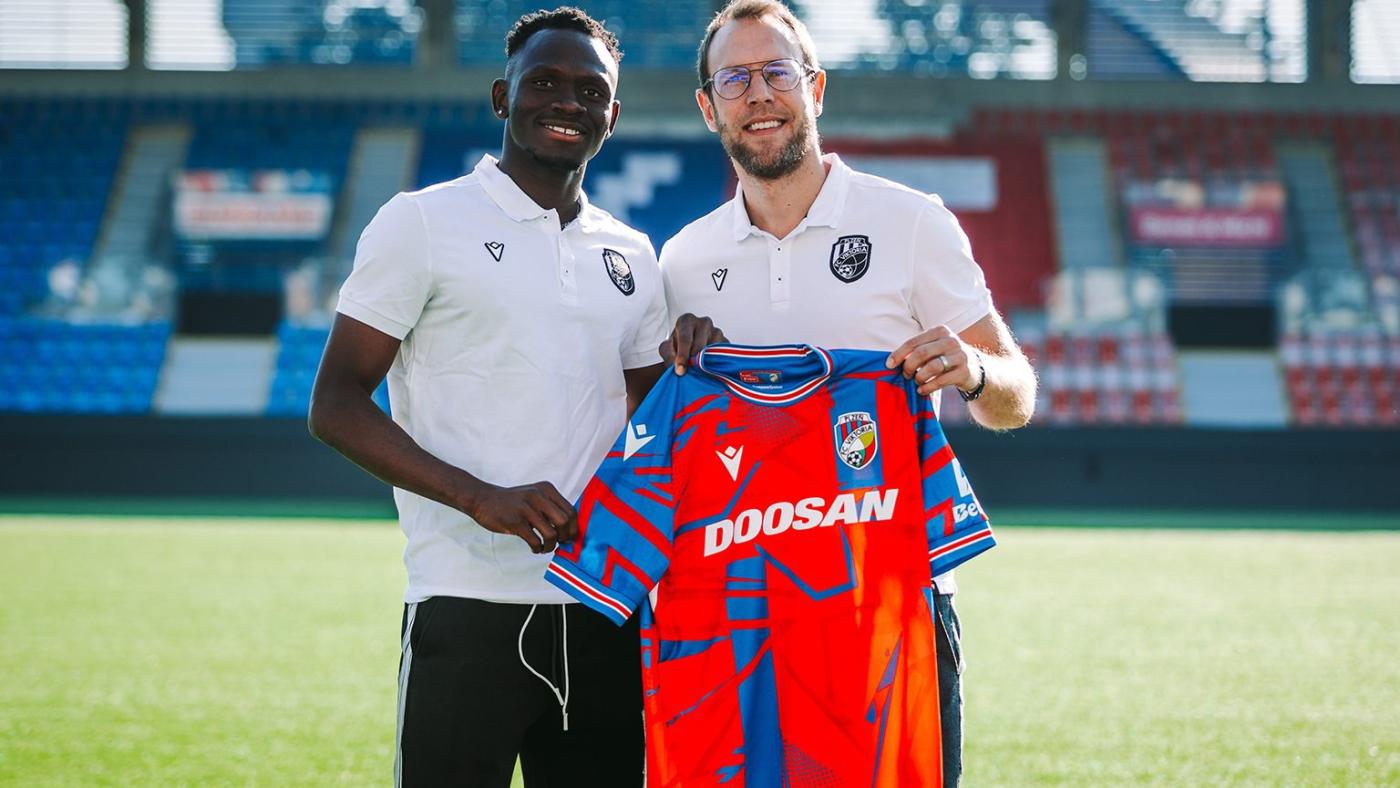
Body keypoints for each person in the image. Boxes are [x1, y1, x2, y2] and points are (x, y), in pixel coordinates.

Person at [657, 2, 1038, 784]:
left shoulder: (911, 223)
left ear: (816, 88)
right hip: (742, 617)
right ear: (707, 107)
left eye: (777, 72)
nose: (759, 95)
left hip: (890, 606)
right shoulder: (683, 262)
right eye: (734, 79)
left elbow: (1017, 395)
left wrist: (972, 369)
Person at [307, 8, 666, 787]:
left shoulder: (633, 254)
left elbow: (656, 425)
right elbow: (335, 403)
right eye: (544, 82)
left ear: (612, 115)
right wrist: (479, 497)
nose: (566, 102)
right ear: (503, 97)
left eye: (589, 90)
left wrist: (697, 350)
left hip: (604, 608)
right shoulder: (421, 223)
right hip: (465, 604)